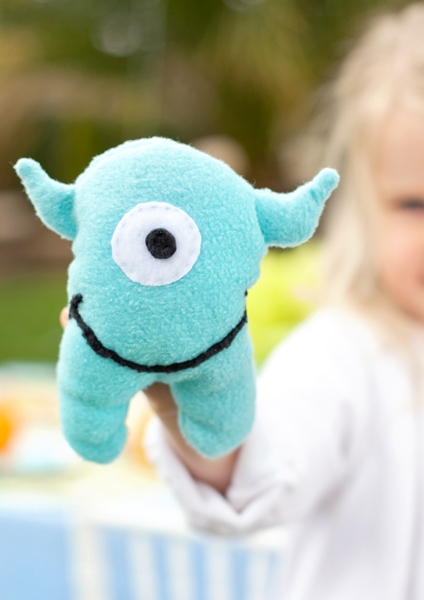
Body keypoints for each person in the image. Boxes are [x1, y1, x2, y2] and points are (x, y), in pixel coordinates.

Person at [60, 5, 424, 598]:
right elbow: (266, 471)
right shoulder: (345, 353)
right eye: (413, 203)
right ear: (362, 209)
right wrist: (188, 401)